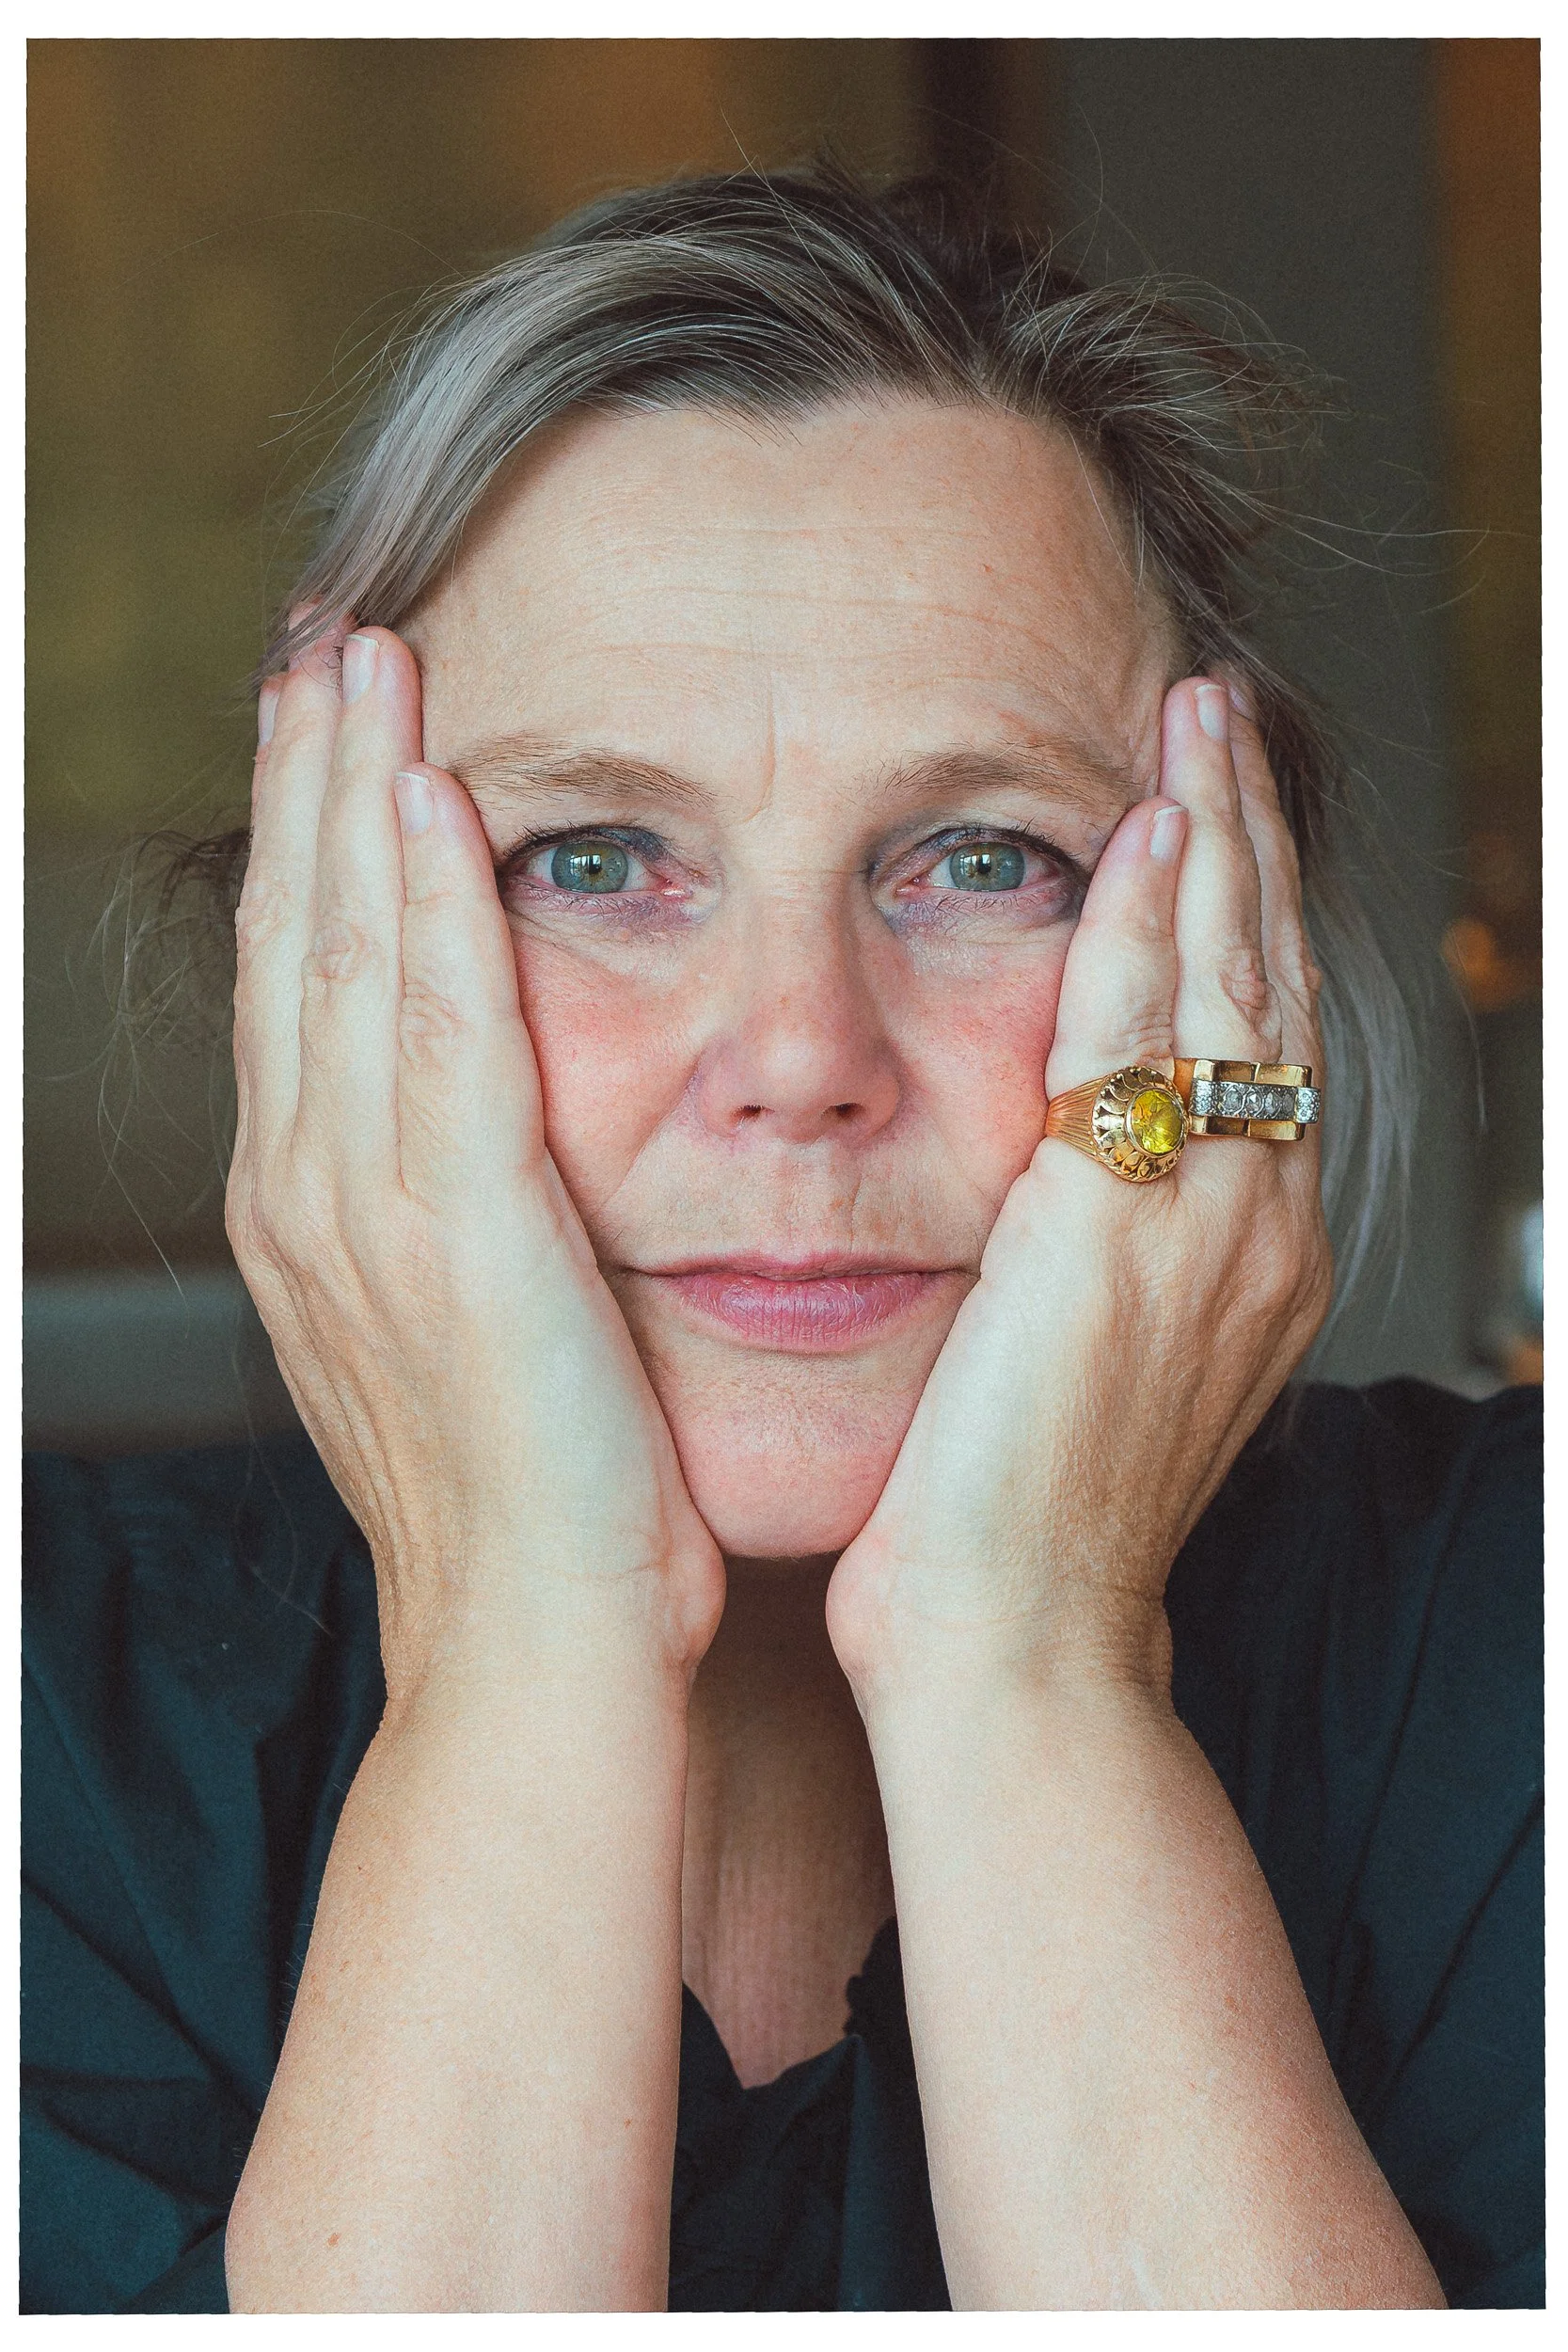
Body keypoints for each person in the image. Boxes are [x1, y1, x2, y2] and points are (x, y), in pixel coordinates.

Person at [22, 165, 1542, 2313]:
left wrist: (1031, 1656)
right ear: (320, 952)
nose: (801, 1055)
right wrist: (528, 1628)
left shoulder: (1516, 1636)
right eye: (601, 856)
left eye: (980, 855)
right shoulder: (40, 1731)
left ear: (1231, 967)